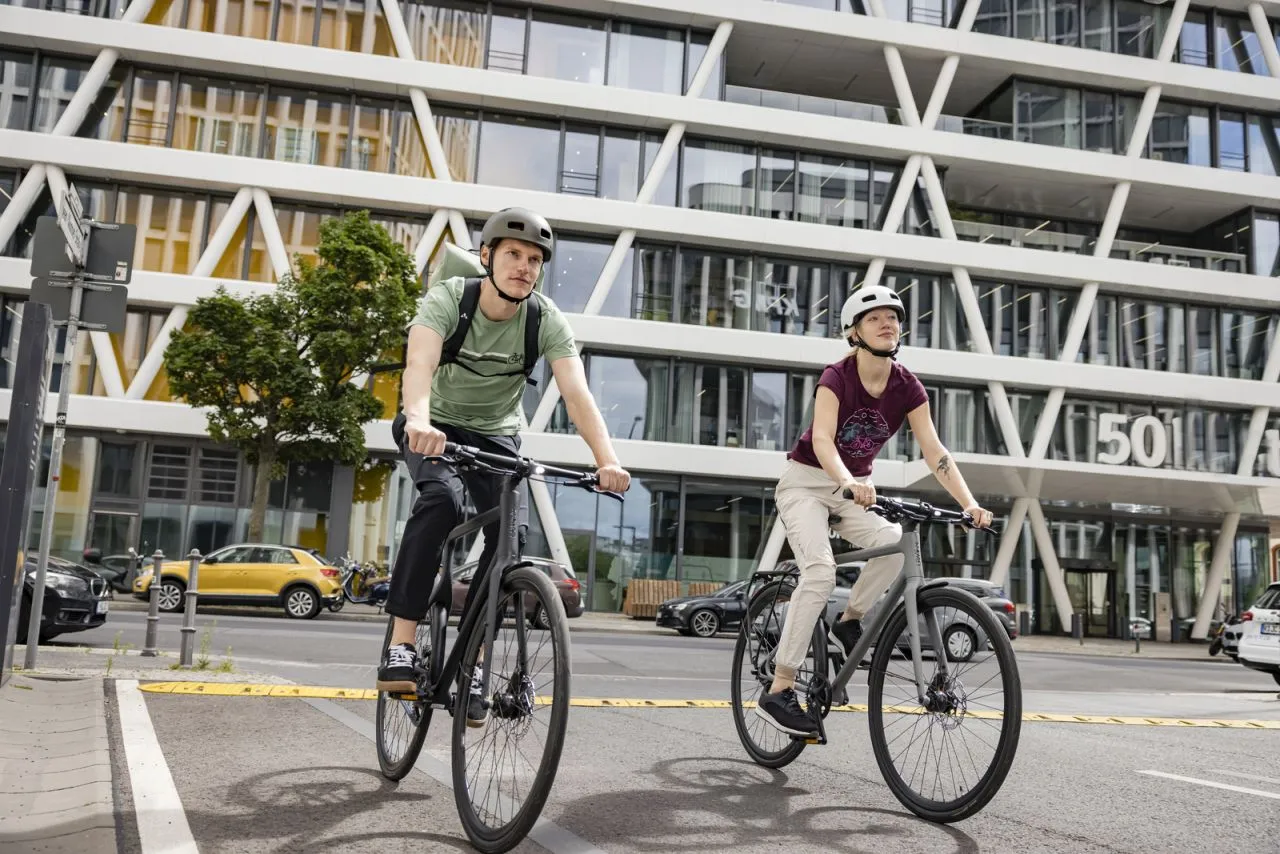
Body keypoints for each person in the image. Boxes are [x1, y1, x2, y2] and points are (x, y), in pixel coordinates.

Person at [376, 207, 631, 728]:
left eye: (535, 259)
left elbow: (577, 394)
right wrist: (419, 420)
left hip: (496, 434)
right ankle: (402, 643)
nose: (524, 267)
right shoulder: (450, 299)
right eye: (513, 254)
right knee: (441, 501)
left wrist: (607, 460)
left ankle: (472, 664)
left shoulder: (544, 319)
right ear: (487, 257)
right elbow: (419, 364)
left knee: (511, 539)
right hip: (434, 423)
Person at [755, 284, 993, 737]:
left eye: (893, 317)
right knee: (820, 573)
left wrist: (970, 503)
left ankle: (849, 621)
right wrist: (847, 481)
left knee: (893, 545)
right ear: (854, 333)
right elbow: (822, 439)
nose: (887, 324)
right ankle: (779, 687)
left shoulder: (906, 386)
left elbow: (934, 450)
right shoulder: (837, 377)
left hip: (854, 490)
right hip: (807, 483)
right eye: (874, 318)